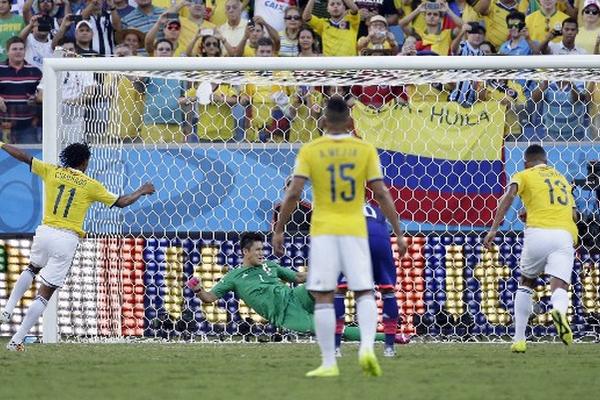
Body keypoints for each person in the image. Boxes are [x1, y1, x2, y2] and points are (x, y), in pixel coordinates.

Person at [272, 96, 407, 377]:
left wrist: (279, 229)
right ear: (350, 122)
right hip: (355, 228)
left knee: (325, 294)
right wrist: (398, 231)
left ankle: (329, 362)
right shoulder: (364, 149)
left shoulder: (311, 150)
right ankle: (368, 347)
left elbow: (294, 193)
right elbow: (381, 194)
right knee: (364, 291)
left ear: (322, 122)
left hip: (324, 232)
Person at [0, 142, 156, 351]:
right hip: (66, 239)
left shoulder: (52, 171)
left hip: (45, 231)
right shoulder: (90, 184)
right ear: (83, 162)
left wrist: (1, 143)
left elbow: (23, 156)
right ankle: (16, 340)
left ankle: (7, 309)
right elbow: (122, 202)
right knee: (45, 293)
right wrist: (142, 190)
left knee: (31, 268)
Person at [186, 233, 404, 345]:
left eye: (263, 249)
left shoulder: (271, 266)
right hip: (285, 313)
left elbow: (299, 277)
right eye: (258, 250)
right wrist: (197, 289)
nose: (262, 253)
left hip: (294, 295)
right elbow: (209, 298)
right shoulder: (233, 277)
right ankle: (389, 337)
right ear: (245, 252)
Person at [483, 144, 578, 353]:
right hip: (564, 236)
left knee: (526, 283)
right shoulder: (561, 179)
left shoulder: (523, 175)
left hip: (538, 233)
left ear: (527, 162)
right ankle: (560, 312)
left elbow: (508, 197)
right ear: (546, 162)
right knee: (559, 286)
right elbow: (574, 215)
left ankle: (519, 340)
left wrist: (493, 229)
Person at [335, 203, 404, 358]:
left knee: (340, 290)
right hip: (380, 240)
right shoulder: (378, 210)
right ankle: (389, 348)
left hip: (354, 237)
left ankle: (335, 348)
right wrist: (399, 236)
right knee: (387, 291)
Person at [0, 36, 43, 144]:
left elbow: (42, 95)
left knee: (29, 157)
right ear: (7, 52)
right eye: (14, 49)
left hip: (27, 126)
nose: (18, 52)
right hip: (3, 125)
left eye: (21, 49)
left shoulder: (35, 71)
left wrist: (36, 99)